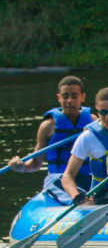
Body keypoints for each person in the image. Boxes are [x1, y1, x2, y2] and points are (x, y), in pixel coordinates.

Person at [7, 75, 93, 204]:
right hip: (57, 178)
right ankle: (81, 203)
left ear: (83, 97)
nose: (69, 100)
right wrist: (21, 166)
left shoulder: (92, 122)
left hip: (87, 177)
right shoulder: (48, 126)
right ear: (59, 97)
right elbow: (35, 164)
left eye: (74, 96)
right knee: (82, 199)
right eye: (65, 96)